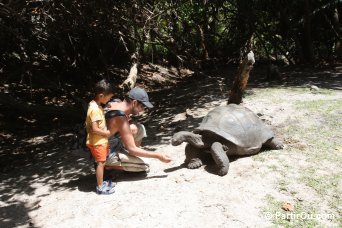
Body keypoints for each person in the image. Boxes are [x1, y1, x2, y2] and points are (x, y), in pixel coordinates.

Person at [104, 87, 172, 171]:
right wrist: (158, 156)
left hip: (110, 142)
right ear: (134, 103)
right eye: (142, 106)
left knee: (139, 128)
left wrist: (131, 123)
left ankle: (129, 157)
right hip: (105, 152)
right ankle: (107, 166)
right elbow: (132, 149)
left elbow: (124, 119)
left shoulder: (116, 102)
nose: (142, 110)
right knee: (145, 166)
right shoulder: (119, 117)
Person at [85, 79, 115, 195]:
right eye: (108, 98)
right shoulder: (95, 110)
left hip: (98, 140)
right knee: (100, 163)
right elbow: (95, 128)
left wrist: (104, 108)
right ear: (101, 95)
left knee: (102, 162)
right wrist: (106, 133)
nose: (109, 100)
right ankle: (100, 186)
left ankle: (102, 181)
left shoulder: (94, 104)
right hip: (98, 141)